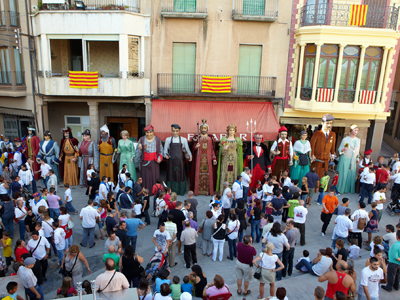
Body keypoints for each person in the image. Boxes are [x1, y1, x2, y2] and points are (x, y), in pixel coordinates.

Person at [190, 119, 217, 196]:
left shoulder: (210, 138)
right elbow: (193, 148)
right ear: (200, 129)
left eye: (205, 128)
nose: (203, 130)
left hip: (208, 159)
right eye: (202, 128)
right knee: (198, 174)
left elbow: (212, 149)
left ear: (207, 129)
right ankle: (198, 191)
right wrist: (195, 146)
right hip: (199, 158)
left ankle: (208, 191)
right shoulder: (196, 137)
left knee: (209, 174)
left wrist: (214, 158)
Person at [163, 124, 192, 196]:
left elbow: (187, 149)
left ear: (179, 131)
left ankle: (181, 191)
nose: (175, 132)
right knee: (171, 175)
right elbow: (165, 151)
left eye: (177, 131)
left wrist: (190, 156)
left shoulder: (183, 139)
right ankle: (170, 191)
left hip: (180, 161)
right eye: (173, 131)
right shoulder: (168, 139)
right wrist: (165, 155)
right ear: (171, 131)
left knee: (180, 175)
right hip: (171, 161)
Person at [216, 124, 243, 193]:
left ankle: (233, 190)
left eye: (233, 130)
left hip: (234, 158)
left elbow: (239, 152)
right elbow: (221, 153)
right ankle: (223, 189)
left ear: (235, 131)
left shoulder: (237, 140)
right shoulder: (224, 139)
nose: (231, 132)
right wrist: (224, 149)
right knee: (225, 171)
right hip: (226, 158)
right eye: (230, 130)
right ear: (228, 131)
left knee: (233, 171)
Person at [136, 124, 163, 192]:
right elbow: (137, 153)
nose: (149, 134)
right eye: (147, 132)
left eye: (150, 132)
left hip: (154, 161)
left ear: (153, 132)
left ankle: (155, 191)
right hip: (144, 161)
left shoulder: (157, 140)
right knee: (145, 177)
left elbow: (161, 151)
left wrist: (159, 158)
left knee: (155, 177)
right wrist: (140, 149)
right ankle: (145, 191)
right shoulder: (141, 139)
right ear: (145, 133)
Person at [310, 114, 337, 179]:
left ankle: (323, 188)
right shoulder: (317, 133)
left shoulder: (332, 134)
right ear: (322, 123)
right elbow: (312, 145)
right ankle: (315, 187)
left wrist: (332, 154)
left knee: (325, 174)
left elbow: (333, 145)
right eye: (327, 123)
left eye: (330, 123)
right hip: (318, 157)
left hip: (326, 158)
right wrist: (312, 154)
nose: (329, 125)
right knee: (316, 173)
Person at [336, 124, 360, 193]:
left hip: (353, 158)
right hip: (345, 158)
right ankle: (340, 188)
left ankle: (348, 189)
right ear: (351, 130)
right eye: (354, 130)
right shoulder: (345, 139)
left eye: (357, 130)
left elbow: (358, 150)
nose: (356, 132)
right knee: (343, 173)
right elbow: (339, 149)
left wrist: (357, 158)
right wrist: (343, 149)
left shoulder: (358, 140)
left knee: (351, 174)